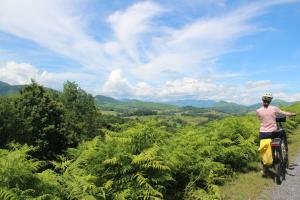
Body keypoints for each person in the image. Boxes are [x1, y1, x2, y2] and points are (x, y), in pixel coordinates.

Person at [256, 93, 296, 175]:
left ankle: (264, 169)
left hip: (263, 133)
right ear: (270, 101)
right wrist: (291, 114)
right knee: (282, 133)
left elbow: (260, 118)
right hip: (273, 133)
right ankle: (284, 149)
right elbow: (283, 112)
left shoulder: (258, 111)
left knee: (263, 149)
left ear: (262, 100)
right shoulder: (274, 108)